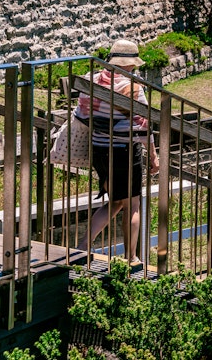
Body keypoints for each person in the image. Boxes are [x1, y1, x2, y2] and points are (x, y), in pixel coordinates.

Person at [75, 40, 159, 264]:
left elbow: (80, 114)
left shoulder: (92, 80)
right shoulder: (133, 88)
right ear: (131, 64)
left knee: (115, 201)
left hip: (98, 148)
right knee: (132, 205)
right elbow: (144, 126)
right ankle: (131, 257)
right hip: (123, 151)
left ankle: (83, 246)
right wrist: (153, 156)